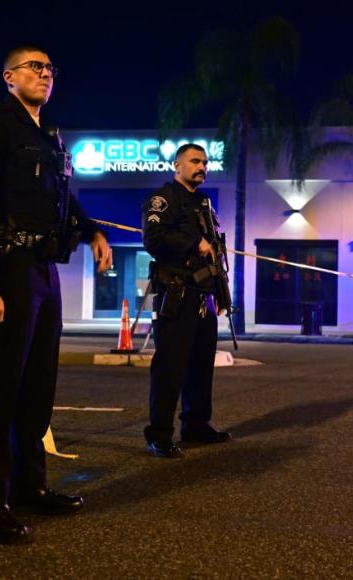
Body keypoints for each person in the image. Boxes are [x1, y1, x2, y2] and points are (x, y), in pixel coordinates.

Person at [0, 45, 112, 544]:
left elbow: (64, 200)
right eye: (34, 68)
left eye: (49, 69)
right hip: (9, 269)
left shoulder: (49, 137)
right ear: (8, 76)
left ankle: (30, 487)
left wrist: (92, 231)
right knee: (0, 389)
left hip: (45, 271)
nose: (44, 75)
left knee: (39, 387)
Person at [141, 143, 231, 458]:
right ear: (177, 165)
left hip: (203, 296)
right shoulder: (163, 199)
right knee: (170, 367)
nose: (201, 166)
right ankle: (159, 435)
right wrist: (195, 243)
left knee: (201, 366)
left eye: (205, 162)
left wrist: (220, 293)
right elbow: (152, 240)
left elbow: (215, 252)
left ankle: (196, 424)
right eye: (194, 161)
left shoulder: (203, 203)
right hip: (176, 294)